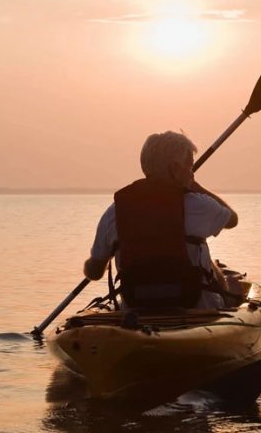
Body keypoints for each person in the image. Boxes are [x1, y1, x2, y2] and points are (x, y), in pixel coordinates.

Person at [84, 130, 239, 309]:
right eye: (189, 166)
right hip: (197, 310)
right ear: (175, 168)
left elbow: (94, 272)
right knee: (208, 263)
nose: (191, 172)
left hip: (136, 310)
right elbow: (232, 219)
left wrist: (94, 262)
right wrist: (195, 186)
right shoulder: (199, 205)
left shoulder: (114, 212)